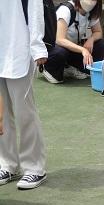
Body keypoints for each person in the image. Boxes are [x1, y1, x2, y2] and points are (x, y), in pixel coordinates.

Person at [0, 0, 48, 190]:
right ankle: (7, 163)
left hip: (18, 50)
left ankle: (34, 167)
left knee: (24, 112)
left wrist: (37, 47)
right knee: (0, 115)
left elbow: (35, 11)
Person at [42, 0, 104, 83]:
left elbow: (98, 32)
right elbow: (59, 39)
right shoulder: (66, 10)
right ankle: (47, 68)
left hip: (73, 49)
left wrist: (91, 39)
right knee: (59, 57)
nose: (90, 1)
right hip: (55, 50)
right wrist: (83, 50)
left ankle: (69, 67)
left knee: (101, 44)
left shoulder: (92, 12)